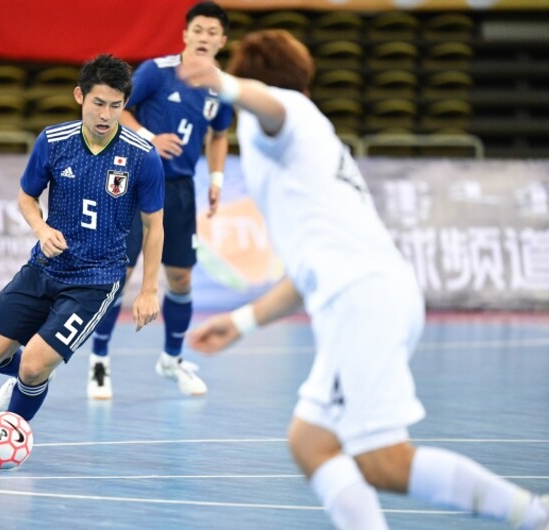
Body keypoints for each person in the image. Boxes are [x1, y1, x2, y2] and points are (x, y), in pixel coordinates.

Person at [179, 30, 549, 530]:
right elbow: (307, 274)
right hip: (364, 292)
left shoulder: (289, 116)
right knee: (311, 441)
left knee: (383, 460)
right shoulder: (303, 155)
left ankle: (533, 515)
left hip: (362, 299)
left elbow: (272, 104)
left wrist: (224, 82)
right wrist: (242, 322)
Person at [0, 54, 165, 422]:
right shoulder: (53, 140)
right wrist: (42, 229)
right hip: (45, 266)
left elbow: (154, 226)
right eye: (98, 104)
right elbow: (26, 197)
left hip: (95, 279)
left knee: (31, 366)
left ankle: (14, 428)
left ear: (125, 104)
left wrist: (149, 289)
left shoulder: (143, 157)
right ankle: (33, 377)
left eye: (115, 105)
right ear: (80, 96)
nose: (106, 115)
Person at [86, 1, 234, 400]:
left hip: (181, 189)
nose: (204, 37)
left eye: (212, 32)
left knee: (181, 277)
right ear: (185, 34)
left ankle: (172, 359)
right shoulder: (156, 70)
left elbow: (219, 135)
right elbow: (120, 112)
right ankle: (99, 360)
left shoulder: (223, 88)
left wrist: (216, 177)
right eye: (197, 29)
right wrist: (151, 139)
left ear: (222, 40)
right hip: (136, 183)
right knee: (120, 275)